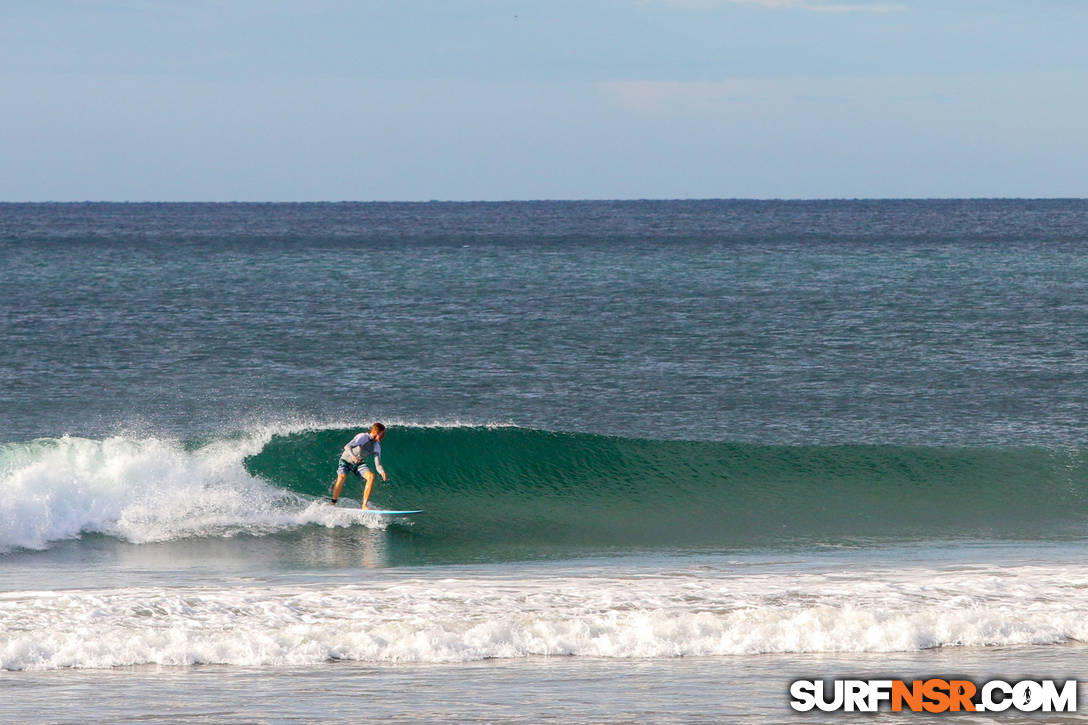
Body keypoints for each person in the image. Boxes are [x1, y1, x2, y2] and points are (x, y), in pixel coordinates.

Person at [330, 423, 388, 509]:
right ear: (376, 432)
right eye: (382, 433)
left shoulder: (377, 447)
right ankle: (333, 502)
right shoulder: (363, 437)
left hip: (358, 463)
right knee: (342, 476)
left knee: (371, 476)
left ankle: (364, 505)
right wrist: (353, 456)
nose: (384, 436)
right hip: (346, 460)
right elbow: (347, 446)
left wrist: (382, 472)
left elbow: (378, 464)